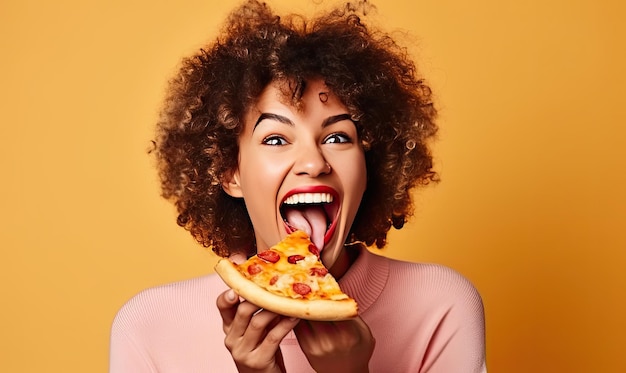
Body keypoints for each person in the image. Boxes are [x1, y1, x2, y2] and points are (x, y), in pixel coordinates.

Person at [109, 0, 486, 371]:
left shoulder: (441, 303)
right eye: (275, 139)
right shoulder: (149, 326)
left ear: (370, 165)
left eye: (338, 137)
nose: (314, 163)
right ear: (229, 173)